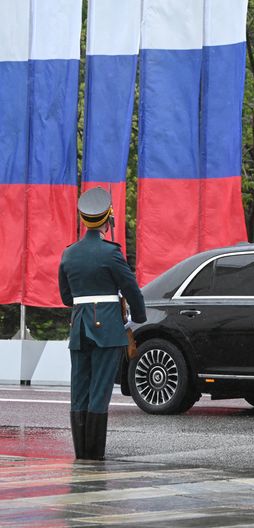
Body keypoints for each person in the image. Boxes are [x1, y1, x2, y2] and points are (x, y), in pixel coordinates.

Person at [58, 187, 146, 460]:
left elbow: (65, 297)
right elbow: (130, 288)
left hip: (79, 327)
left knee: (79, 389)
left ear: (84, 220)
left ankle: (82, 452)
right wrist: (139, 317)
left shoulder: (69, 253)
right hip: (106, 328)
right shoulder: (111, 253)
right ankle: (95, 454)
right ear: (108, 219)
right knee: (99, 390)